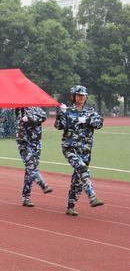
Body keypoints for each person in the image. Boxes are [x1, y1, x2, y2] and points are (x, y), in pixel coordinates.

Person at [54, 85, 104, 216]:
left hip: (85, 150)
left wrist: (87, 120)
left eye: (84, 95)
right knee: (82, 169)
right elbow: (59, 126)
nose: (82, 97)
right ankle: (92, 196)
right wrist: (61, 113)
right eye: (79, 95)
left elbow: (99, 124)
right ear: (73, 96)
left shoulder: (91, 111)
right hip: (70, 148)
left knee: (78, 180)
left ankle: (70, 206)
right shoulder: (67, 111)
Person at [15, 107, 53, 207]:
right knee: (31, 166)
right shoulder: (20, 108)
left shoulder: (37, 108)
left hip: (36, 142)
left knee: (30, 170)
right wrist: (33, 119)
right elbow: (24, 119)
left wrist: (31, 119)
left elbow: (43, 117)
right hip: (24, 141)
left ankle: (25, 197)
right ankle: (43, 184)